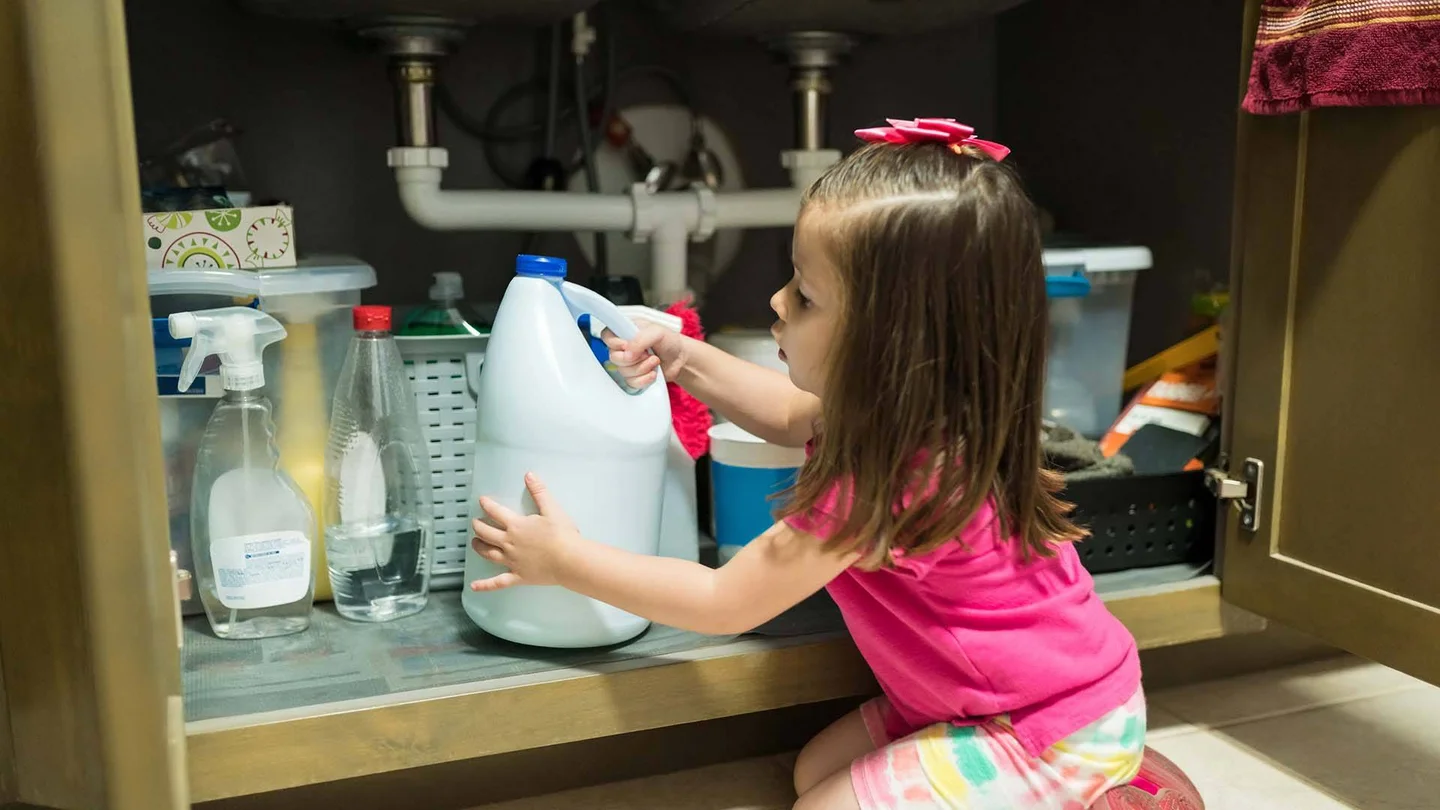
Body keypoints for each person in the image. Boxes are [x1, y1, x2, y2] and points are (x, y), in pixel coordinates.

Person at [470, 118, 1145, 810]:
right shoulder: (919, 417)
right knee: (812, 774)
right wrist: (684, 358)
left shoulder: (889, 478)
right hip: (1004, 695)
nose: (776, 302)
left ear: (892, 342)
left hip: (1042, 728)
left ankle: (1101, 797)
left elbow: (723, 601)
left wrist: (566, 560)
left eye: (806, 295)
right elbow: (789, 414)